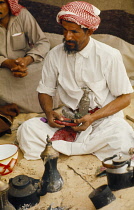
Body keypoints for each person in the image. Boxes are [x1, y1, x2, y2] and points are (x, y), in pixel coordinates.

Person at [17, 1, 134, 161]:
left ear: (90, 31)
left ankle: (66, 148)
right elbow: (45, 91)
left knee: (123, 136)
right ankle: (82, 147)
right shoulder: (54, 55)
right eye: (64, 30)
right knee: (27, 129)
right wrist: (49, 113)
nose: (67, 36)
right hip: (69, 121)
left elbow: (125, 98)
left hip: (103, 120)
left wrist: (92, 118)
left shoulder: (109, 55)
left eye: (74, 32)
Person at [0, 0, 50, 112]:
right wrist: (6, 62)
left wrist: (28, 59)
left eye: (1, 2)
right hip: (2, 70)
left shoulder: (22, 14)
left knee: (48, 68)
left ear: (9, 3)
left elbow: (42, 42)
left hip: (27, 67)